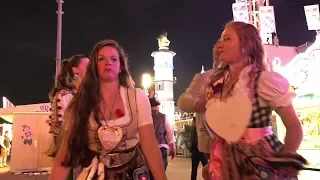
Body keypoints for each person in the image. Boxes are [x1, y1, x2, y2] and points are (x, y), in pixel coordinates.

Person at [49, 40, 167, 180]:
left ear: (121, 67)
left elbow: (150, 146)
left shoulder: (137, 97)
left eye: (114, 59)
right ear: (94, 66)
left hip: (133, 173)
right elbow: (66, 153)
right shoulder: (80, 102)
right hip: (96, 174)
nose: (108, 62)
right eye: (101, 59)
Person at [202, 21, 305, 179]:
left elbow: (294, 127)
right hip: (228, 161)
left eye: (227, 39)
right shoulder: (219, 85)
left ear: (246, 44)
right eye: (221, 40)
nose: (220, 45)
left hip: (260, 161)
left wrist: (285, 162)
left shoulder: (263, 81)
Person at [177, 39, 221, 155]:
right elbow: (183, 102)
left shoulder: (247, 75)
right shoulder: (205, 78)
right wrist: (205, 101)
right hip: (214, 141)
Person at [47, 54, 89, 157]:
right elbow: (62, 130)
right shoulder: (65, 96)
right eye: (88, 66)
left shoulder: (82, 94)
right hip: (72, 154)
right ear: (76, 70)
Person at [149, 94, 176, 177]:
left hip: (148, 149)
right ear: (157, 106)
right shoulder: (164, 117)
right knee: (160, 173)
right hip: (161, 148)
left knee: (149, 173)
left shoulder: (145, 117)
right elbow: (170, 134)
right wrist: (173, 148)